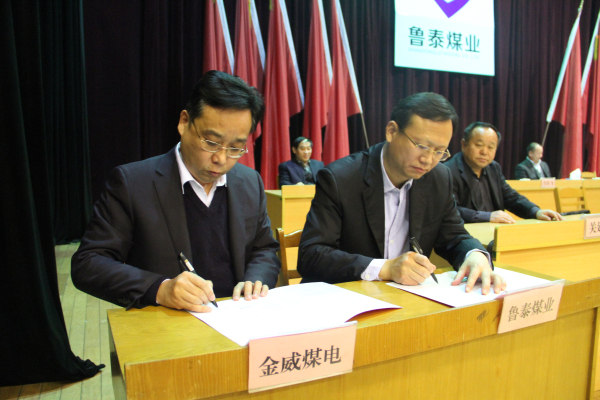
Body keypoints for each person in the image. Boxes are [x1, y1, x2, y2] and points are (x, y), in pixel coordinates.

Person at [72, 71, 280, 313]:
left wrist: (255, 279)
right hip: (167, 324)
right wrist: (160, 289)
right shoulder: (133, 183)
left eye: (235, 148)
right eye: (211, 143)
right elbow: (88, 263)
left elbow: (264, 249)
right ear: (184, 122)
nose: (221, 159)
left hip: (238, 318)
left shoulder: (249, 182)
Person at [298, 93, 506, 295]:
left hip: (405, 299)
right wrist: (385, 269)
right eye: (421, 146)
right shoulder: (341, 178)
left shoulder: (438, 178)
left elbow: (454, 235)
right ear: (391, 131)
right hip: (345, 297)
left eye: (439, 151)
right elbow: (311, 255)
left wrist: (474, 254)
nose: (428, 160)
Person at [444, 122, 563, 224]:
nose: (484, 152)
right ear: (464, 145)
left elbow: (510, 197)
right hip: (464, 234)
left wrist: (536, 211)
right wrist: (487, 216)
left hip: (494, 231)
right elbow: (449, 210)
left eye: (491, 147)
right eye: (479, 145)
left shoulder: (493, 168)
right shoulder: (447, 171)